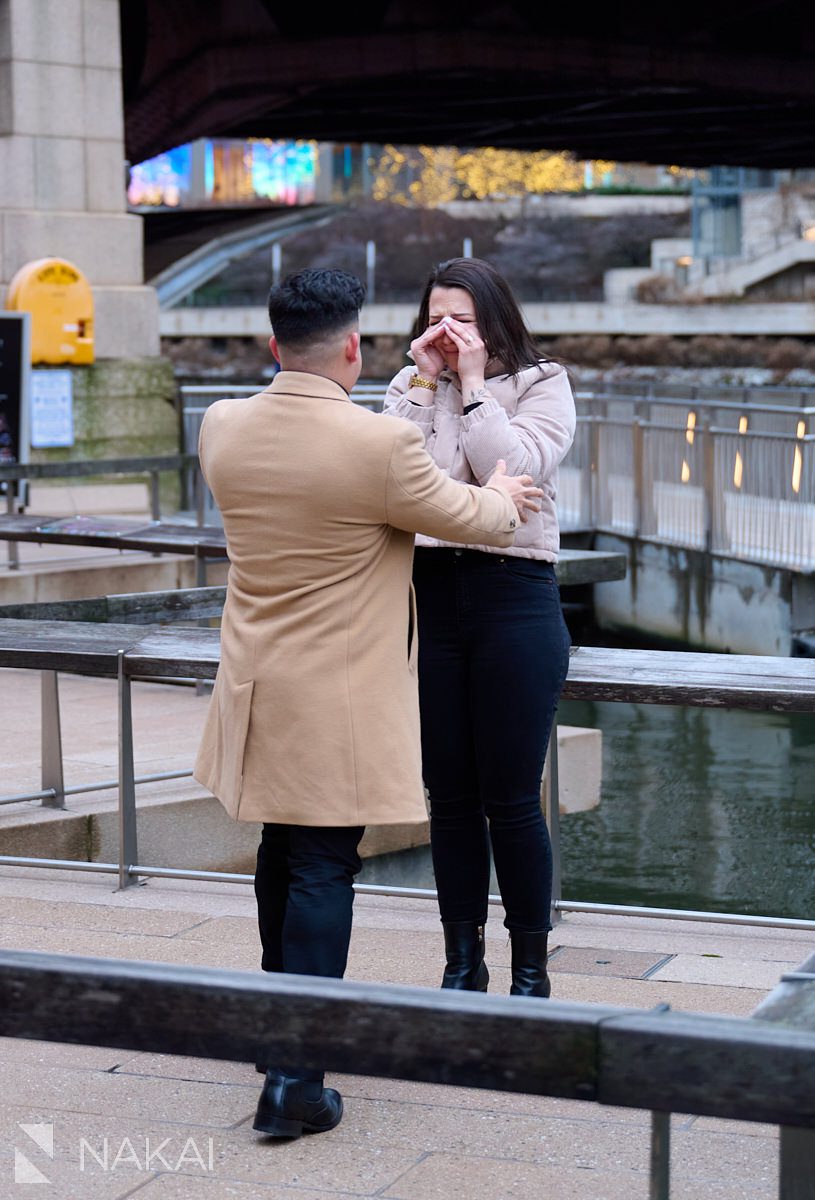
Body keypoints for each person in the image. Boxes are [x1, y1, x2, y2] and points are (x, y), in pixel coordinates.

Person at [192, 267, 544, 1140]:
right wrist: (501, 497)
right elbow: (473, 515)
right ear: (352, 348)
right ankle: (296, 1080)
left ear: (274, 345)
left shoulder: (222, 424)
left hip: (252, 679)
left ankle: (281, 1037)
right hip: (334, 696)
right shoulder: (372, 447)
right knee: (321, 866)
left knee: (280, 849)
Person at [382, 257, 576, 1000]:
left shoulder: (540, 382)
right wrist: (430, 386)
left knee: (512, 795)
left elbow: (517, 472)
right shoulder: (407, 387)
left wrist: (469, 389)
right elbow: (403, 486)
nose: (447, 331)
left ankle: (530, 968)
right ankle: (460, 960)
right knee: (449, 796)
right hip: (429, 598)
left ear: (493, 319)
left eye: (461, 317)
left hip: (515, 594)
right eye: (436, 316)